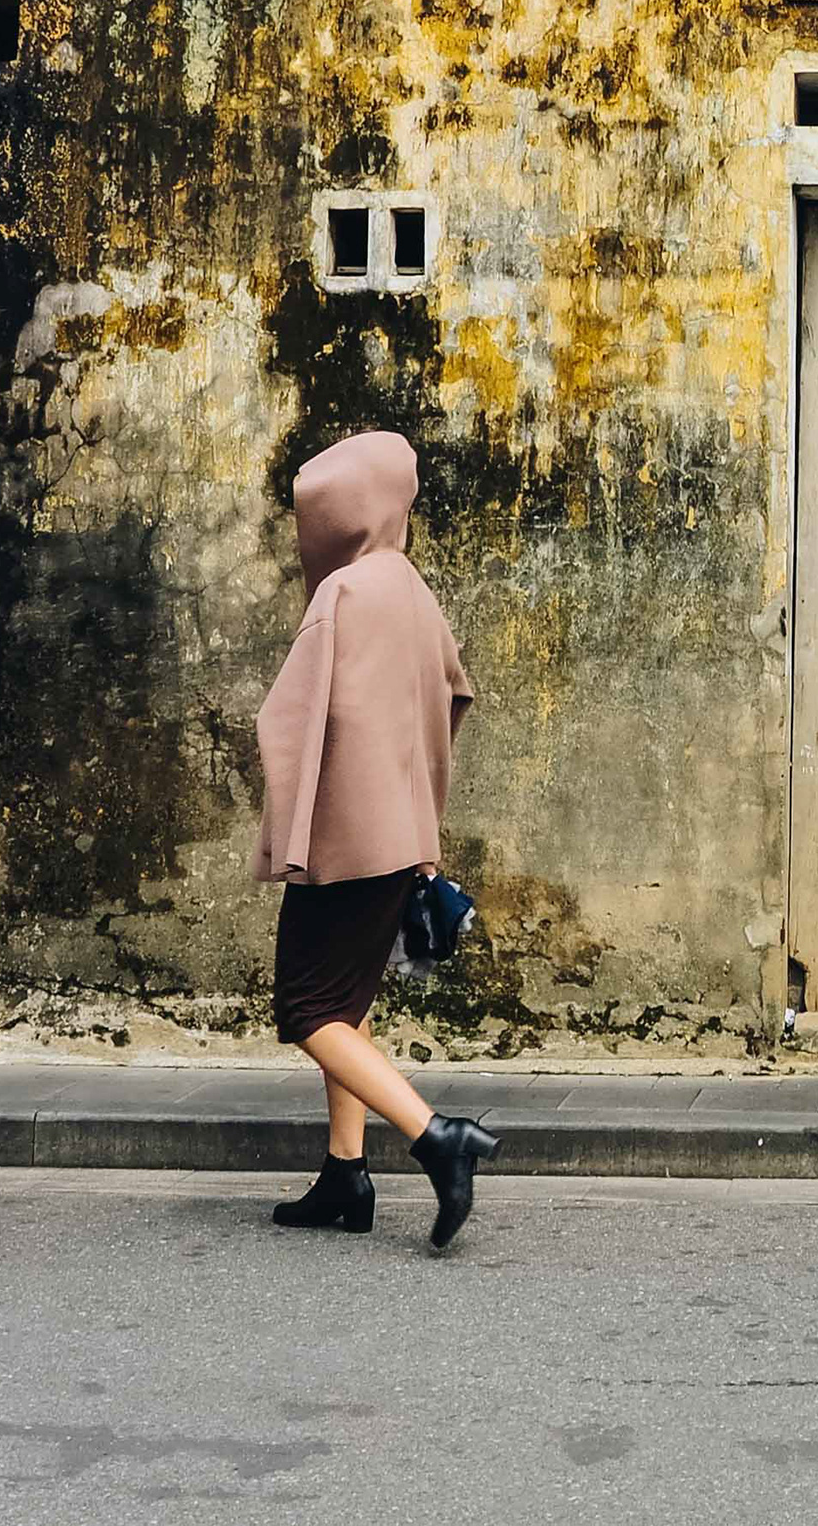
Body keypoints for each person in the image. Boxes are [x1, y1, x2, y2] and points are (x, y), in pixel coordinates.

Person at [252, 430, 500, 1250]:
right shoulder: (410, 588)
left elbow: (287, 721)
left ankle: (437, 1137)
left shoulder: (344, 595)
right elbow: (454, 696)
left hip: (344, 845)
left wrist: (293, 821)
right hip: (400, 836)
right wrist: (417, 810)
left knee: (307, 1010)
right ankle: (344, 1175)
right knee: (346, 1005)